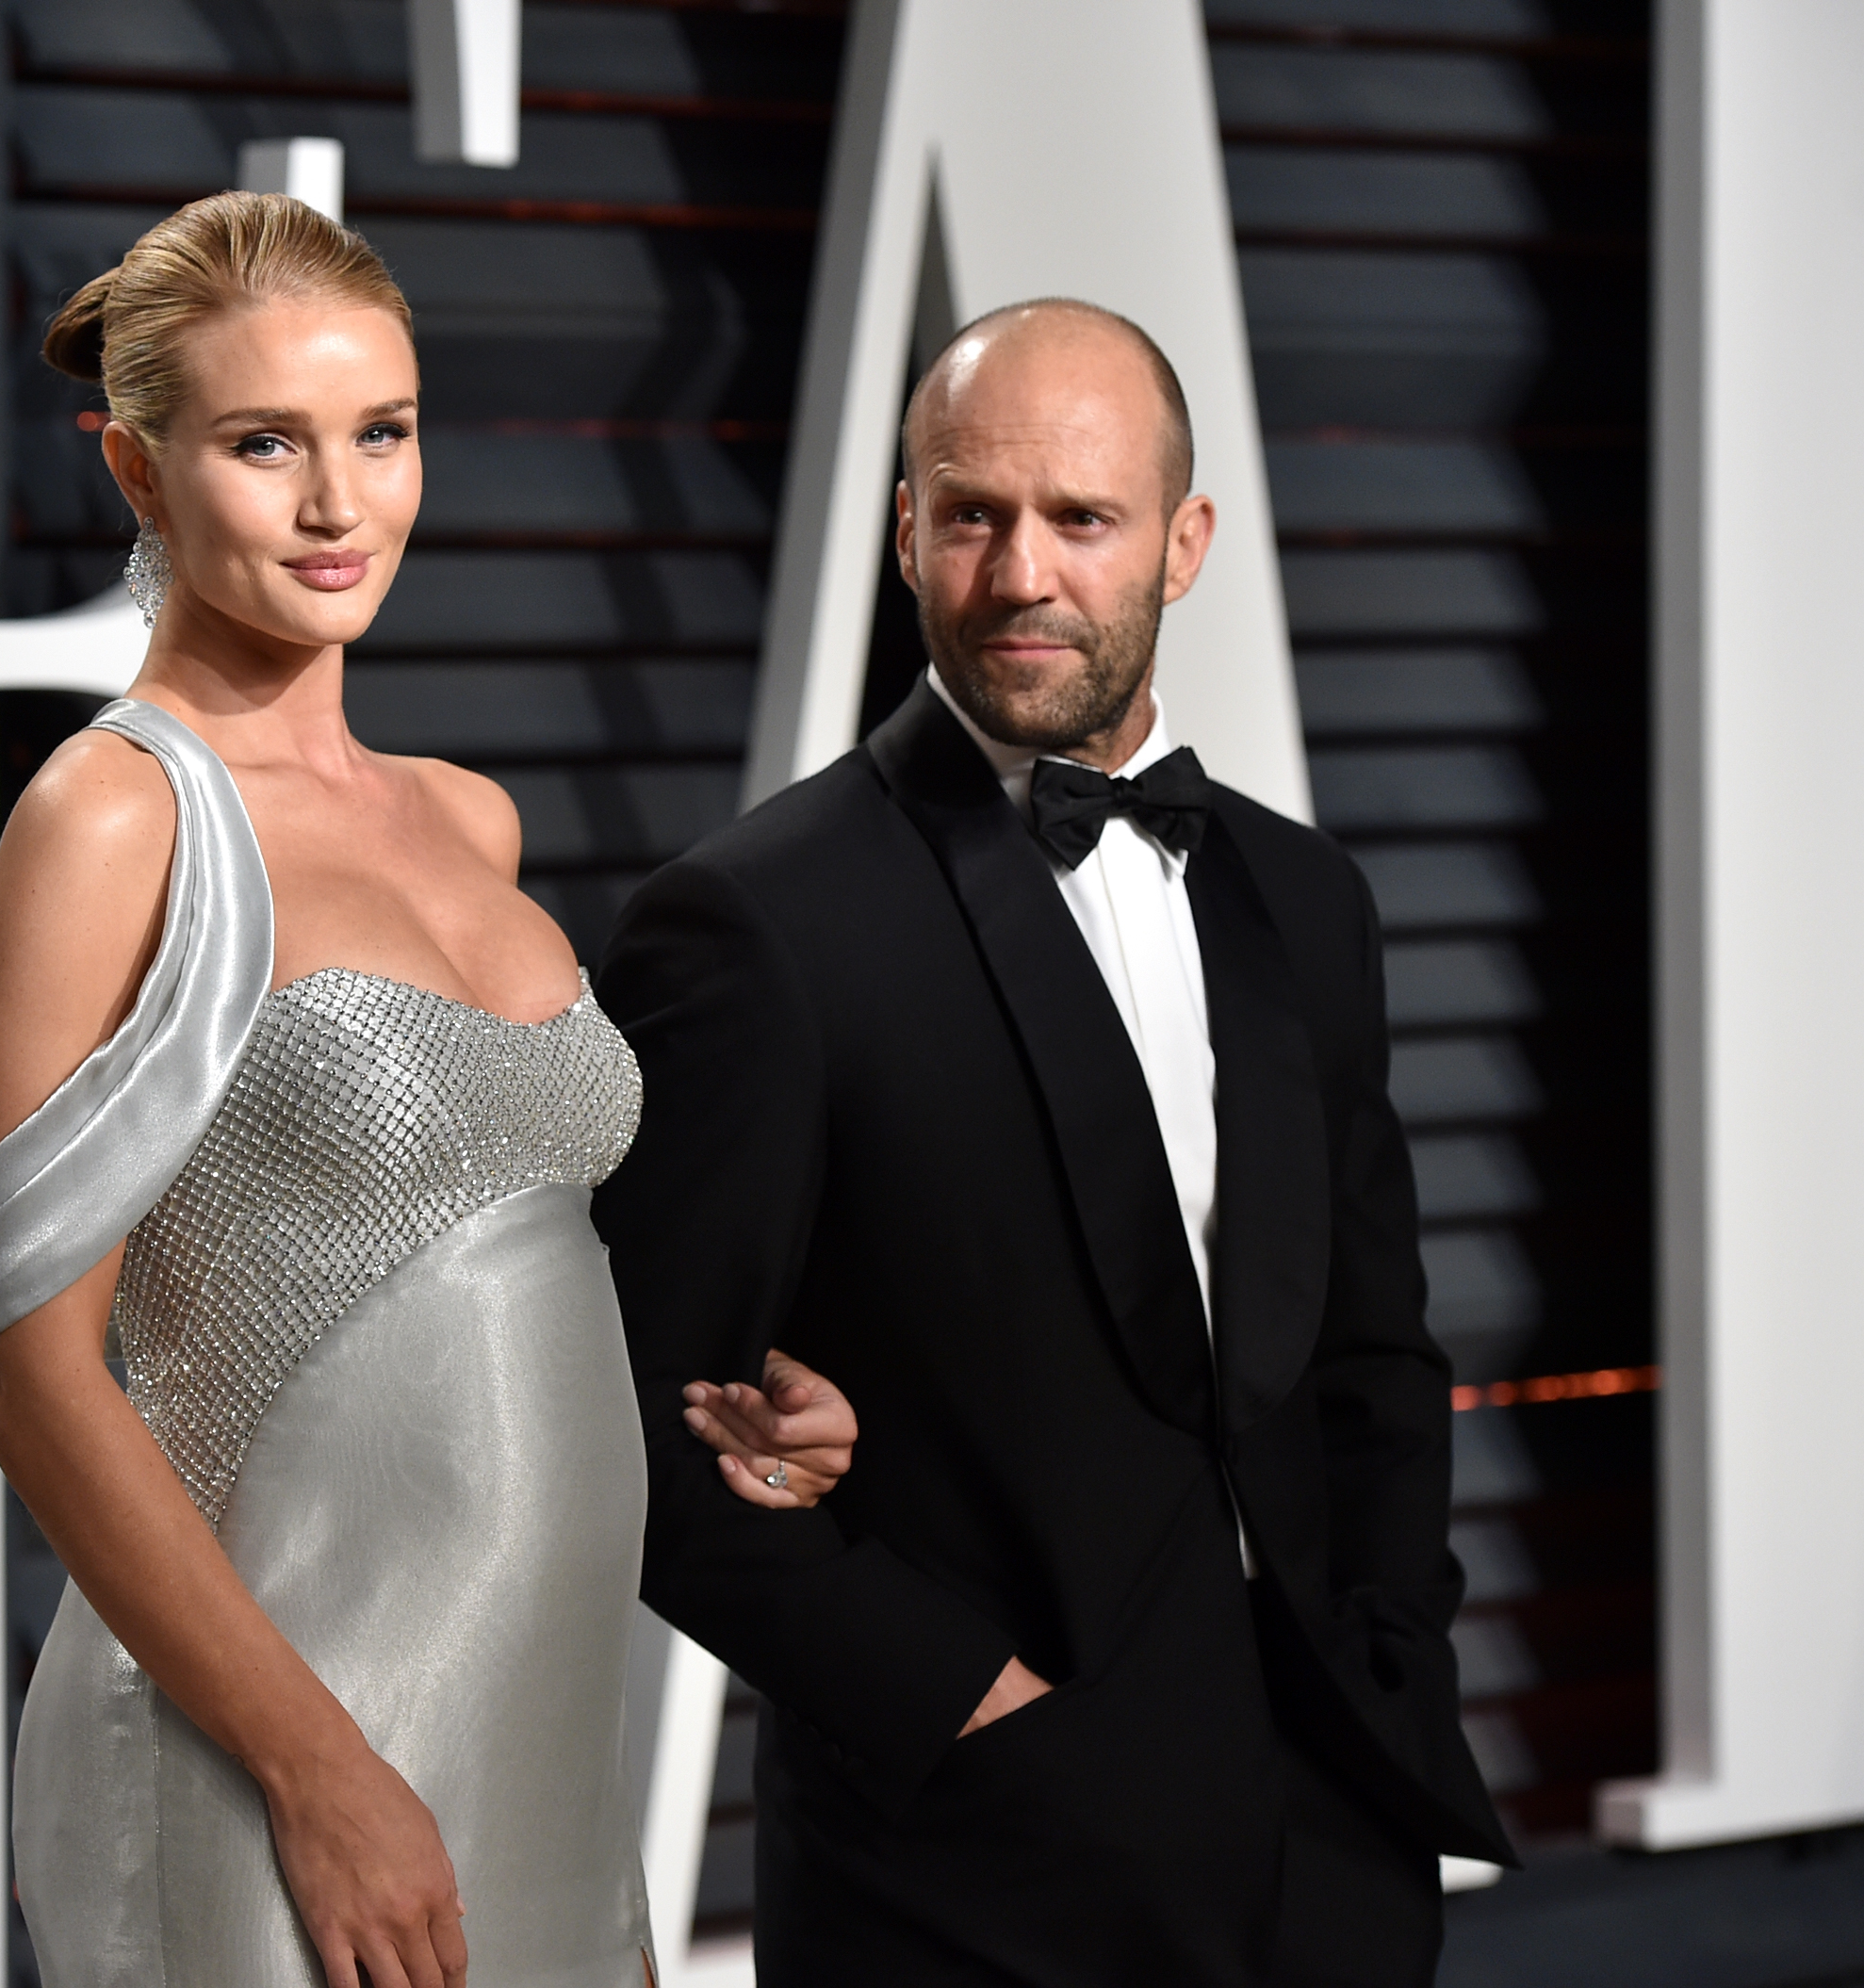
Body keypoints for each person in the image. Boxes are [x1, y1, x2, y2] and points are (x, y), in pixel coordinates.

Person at [0, 192, 849, 1988]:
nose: (339, 503)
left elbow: (493, 1283)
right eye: (264, 443)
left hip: (541, 1737)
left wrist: (731, 1413)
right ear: (134, 466)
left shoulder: (467, 818)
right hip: (276, 1751)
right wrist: (319, 1771)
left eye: (384, 433)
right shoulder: (115, 819)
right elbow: (36, 1383)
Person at [592, 299, 1513, 1986]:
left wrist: (1395, 1657)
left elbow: (1374, 1356)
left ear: (1185, 542)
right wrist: (960, 1701)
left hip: (1332, 1849)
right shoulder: (751, 923)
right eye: (972, 515)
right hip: (965, 1875)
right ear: (905, 533)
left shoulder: (1310, 899)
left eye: (1081, 519)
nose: (1022, 574)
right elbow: (631, 1424)